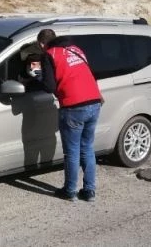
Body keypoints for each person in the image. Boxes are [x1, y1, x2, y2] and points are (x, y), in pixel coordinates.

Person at [38, 28, 102, 202]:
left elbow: (49, 87)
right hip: (94, 102)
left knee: (72, 152)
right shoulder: (76, 49)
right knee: (87, 148)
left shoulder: (49, 54)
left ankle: (70, 190)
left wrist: (37, 79)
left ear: (41, 44)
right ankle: (89, 191)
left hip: (73, 106)